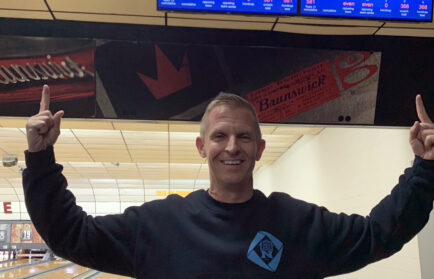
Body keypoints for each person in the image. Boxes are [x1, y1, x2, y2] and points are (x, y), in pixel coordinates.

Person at [23, 85, 433, 279]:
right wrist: (40, 160)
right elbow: (71, 236)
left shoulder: (296, 223)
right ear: (203, 147)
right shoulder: (159, 224)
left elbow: (378, 234)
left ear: (259, 148)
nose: (231, 146)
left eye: (244, 136)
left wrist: (425, 169)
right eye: (220, 136)